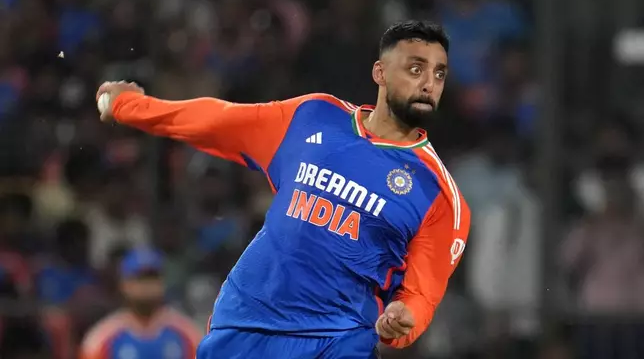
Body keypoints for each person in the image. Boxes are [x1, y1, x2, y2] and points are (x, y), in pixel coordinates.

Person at [96, 20, 471, 358]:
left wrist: (403, 318)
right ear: (380, 72)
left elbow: (421, 294)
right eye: (415, 69)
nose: (428, 83)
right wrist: (131, 106)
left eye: (439, 74)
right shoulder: (313, 116)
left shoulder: (440, 196)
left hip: (337, 340)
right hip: (248, 322)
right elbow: (217, 121)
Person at [79, 248, 202, 359]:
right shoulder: (102, 338)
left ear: (163, 283)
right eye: (140, 278)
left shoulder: (186, 333)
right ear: (124, 284)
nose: (146, 285)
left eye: (152, 278)